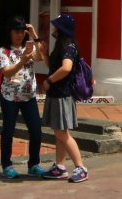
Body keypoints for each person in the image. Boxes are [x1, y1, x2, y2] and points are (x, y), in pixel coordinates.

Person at [40, 13, 88, 183]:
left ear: (61, 29)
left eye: (56, 27)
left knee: (63, 134)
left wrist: (48, 80)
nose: (54, 29)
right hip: (56, 94)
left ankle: (80, 167)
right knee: (59, 133)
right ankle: (60, 167)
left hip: (62, 95)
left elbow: (66, 68)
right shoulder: (61, 46)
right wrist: (45, 54)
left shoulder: (68, 46)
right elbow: (52, 66)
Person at [0, 17, 46, 179]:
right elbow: (7, 72)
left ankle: (33, 164)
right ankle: (7, 165)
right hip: (9, 97)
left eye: (22, 32)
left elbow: (40, 57)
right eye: (16, 32)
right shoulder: (4, 51)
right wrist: (21, 61)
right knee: (8, 131)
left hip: (28, 96)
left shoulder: (29, 47)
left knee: (36, 131)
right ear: (10, 33)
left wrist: (34, 34)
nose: (19, 35)